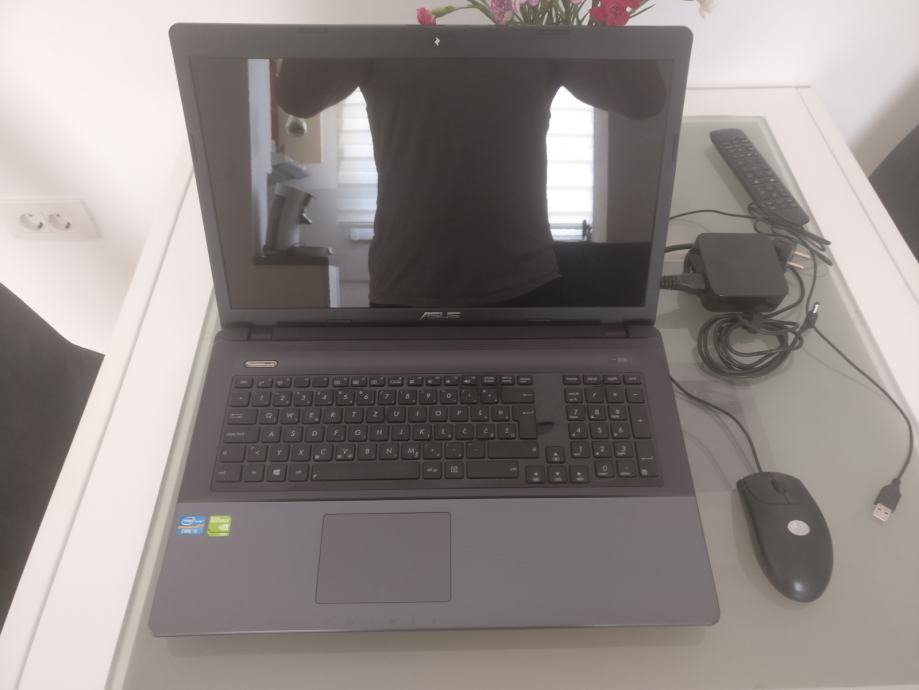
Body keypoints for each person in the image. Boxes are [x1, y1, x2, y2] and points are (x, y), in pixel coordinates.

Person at [277, 56, 666, 307]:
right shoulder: (378, 19)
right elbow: (297, 97)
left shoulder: (532, 17)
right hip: (407, 291)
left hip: (523, 289)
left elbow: (645, 98)